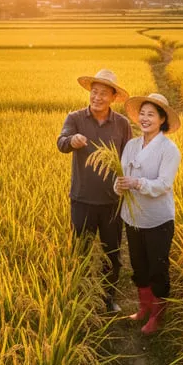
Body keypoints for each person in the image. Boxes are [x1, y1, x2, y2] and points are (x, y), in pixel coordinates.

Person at [57, 69, 132, 312]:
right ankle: (81, 297)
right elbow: (61, 142)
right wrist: (72, 141)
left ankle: (108, 298)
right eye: (94, 92)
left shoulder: (121, 124)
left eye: (103, 94)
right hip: (82, 199)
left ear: (113, 97)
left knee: (112, 253)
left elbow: (130, 157)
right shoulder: (75, 118)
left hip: (112, 201)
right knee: (81, 250)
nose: (97, 97)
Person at [114, 93, 181, 335]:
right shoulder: (131, 145)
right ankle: (144, 307)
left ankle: (157, 315)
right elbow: (120, 176)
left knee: (157, 268)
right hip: (132, 217)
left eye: (151, 114)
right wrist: (119, 185)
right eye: (142, 113)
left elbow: (163, 184)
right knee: (139, 266)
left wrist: (138, 183)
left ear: (162, 119)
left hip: (158, 220)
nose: (144, 118)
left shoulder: (169, 150)